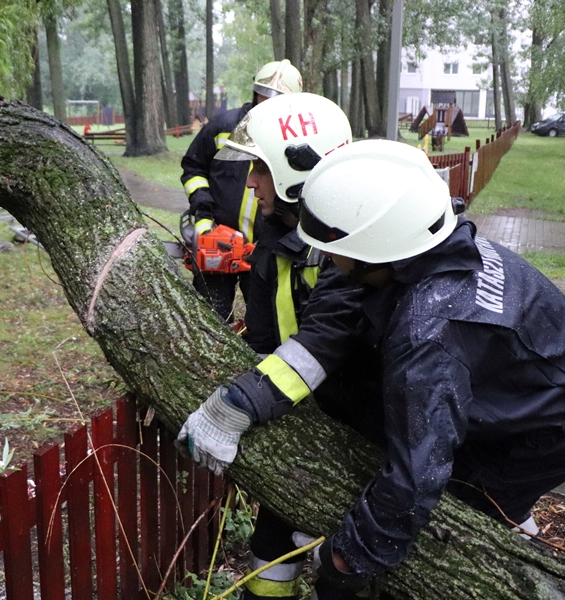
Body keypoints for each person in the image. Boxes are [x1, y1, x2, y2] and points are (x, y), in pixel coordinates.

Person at [180, 139, 565, 596]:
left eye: (332, 248)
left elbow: (415, 478)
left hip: (545, 433)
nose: (325, 259)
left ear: (373, 251)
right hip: (532, 375)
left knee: (446, 523)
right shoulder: (422, 249)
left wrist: (343, 559)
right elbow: (336, 315)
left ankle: (504, 546)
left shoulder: (428, 335)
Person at [181, 92, 365, 600]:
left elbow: (327, 341)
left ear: (295, 173)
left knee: (344, 580)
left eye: (260, 169)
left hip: (365, 442)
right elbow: (265, 341)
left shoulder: (349, 245)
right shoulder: (274, 235)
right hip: (307, 421)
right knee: (269, 555)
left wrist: (240, 403)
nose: (250, 183)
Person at [180, 59, 302, 321]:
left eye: (278, 98)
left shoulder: (294, 139)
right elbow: (193, 167)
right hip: (217, 240)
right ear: (255, 93)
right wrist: (204, 216)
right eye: (264, 94)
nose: (268, 102)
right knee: (210, 320)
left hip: (265, 248)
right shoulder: (224, 127)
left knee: (263, 321)